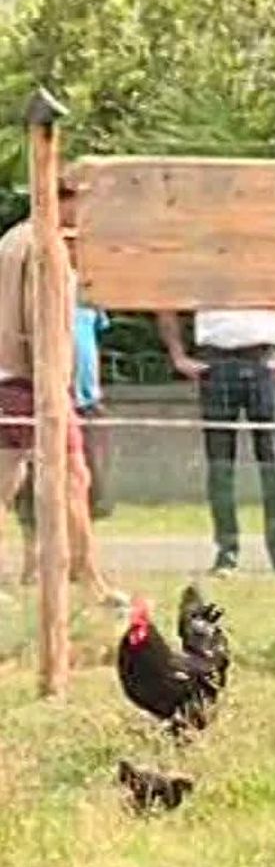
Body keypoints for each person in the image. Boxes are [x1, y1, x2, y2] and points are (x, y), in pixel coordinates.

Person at [0, 184, 125, 608]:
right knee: (61, 477)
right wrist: (50, 378)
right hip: (32, 379)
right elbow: (39, 317)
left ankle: (85, 575)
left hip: (22, 377)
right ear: (62, 199)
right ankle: (90, 579)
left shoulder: (15, 241)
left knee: (42, 477)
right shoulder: (42, 247)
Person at [156, 307, 275, 576]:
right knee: (220, 465)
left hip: (263, 360)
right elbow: (164, 303)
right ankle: (227, 552)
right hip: (214, 360)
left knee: (273, 463)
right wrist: (178, 355)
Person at [12, 301, 114, 580]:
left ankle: (83, 565)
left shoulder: (89, 296)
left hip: (83, 400)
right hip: (32, 397)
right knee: (22, 485)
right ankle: (33, 562)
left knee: (84, 483)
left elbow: (90, 339)